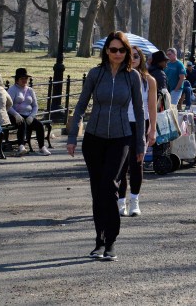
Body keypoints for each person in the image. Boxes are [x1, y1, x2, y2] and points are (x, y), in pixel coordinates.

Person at [66, 31, 145, 261]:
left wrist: (140, 144)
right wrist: (72, 137)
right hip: (93, 138)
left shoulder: (132, 77)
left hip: (121, 138)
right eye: (113, 50)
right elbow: (80, 105)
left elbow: (139, 113)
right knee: (96, 190)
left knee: (110, 186)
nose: (117, 54)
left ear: (127, 52)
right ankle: (98, 240)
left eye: (122, 50)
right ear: (106, 51)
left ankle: (111, 241)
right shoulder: (95, 74)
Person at [117, 45, 158, 218]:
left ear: (141, 58)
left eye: (136, 56)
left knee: (137, 163)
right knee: (120, 165)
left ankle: (134, 200)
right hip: (120, 124)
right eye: (130, 55)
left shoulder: (149, 80)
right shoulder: (119, 77)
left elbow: (152, 106)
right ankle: (120, 202)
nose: (133, 59)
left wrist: (152, 129)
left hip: (139, 124)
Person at [7, 68, 46, 155]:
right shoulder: (12, 90)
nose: (24, 80)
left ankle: (42, 147)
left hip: (28, 115)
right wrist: (16, 114)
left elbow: (35, 105)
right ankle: (21, 146)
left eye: (25, 78)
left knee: (39, 125)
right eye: (22, 78)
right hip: (15, 115)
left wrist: (32, 116)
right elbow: (8, 106)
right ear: (17, 80)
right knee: (22, 123)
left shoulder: (30, 90)